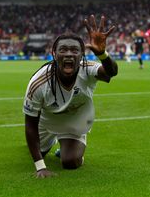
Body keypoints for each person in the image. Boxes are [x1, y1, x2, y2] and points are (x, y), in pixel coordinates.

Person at [23, 15, 118, 178]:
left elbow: (111, 72)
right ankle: (52, 141)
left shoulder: (87, 69)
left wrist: (102, 55)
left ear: (82, 55)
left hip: (76, 119)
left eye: (74, 50)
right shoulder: (38, 83)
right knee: (39, 153)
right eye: (63, 50)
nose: (68, 54)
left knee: (70, 162)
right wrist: (40, 166)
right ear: (54, 53)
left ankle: (68, 147)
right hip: (48, 120)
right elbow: (30, 125)